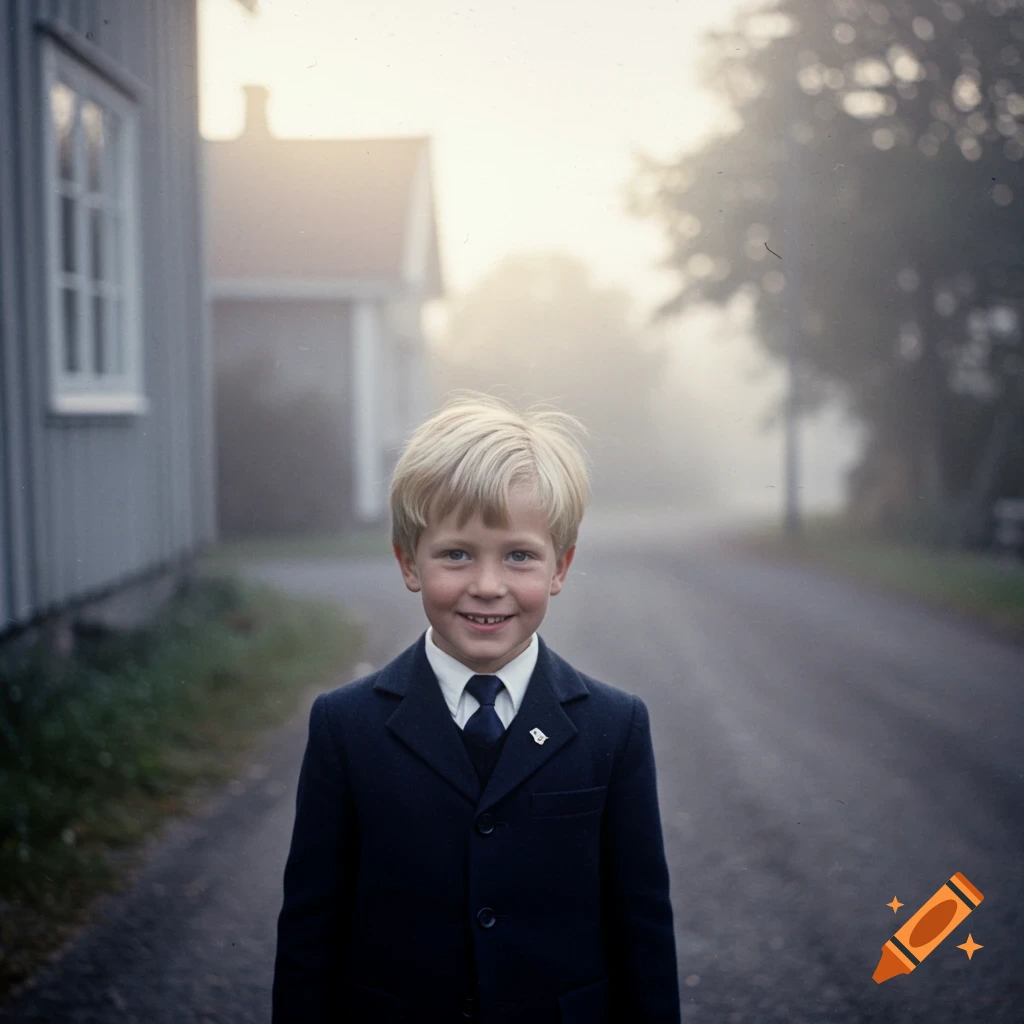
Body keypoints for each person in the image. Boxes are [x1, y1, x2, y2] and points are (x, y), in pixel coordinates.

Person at [272, 391, 681, 1023]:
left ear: (560, 567)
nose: (487, 585)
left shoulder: (614, 726)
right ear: (409, 561)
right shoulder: (345, 726)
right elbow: (310, 932)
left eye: (519, 555)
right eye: (456, 553)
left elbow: (643, 931)